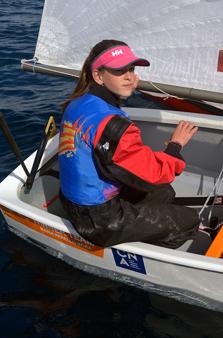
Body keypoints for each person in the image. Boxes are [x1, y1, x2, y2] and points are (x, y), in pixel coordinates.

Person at [58, 39, 200, 249]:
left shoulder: (78, 102)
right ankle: (148, 253)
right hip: (99, 220)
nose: (129, 76)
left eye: (131, 69)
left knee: (165, 192)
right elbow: (152, 175)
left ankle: (142, 229)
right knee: (190, 219)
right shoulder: (112, 125)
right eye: (119, 71)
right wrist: (175, 146)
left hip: (73, 202)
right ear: (98, 76)